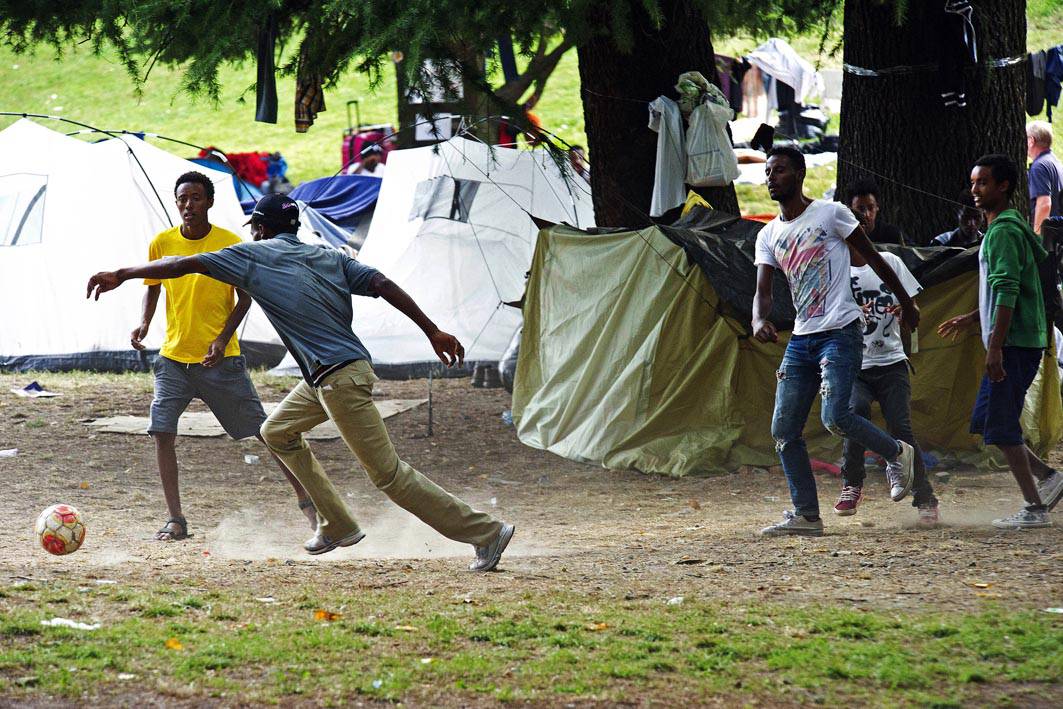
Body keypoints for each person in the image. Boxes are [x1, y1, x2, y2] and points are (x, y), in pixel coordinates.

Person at [88, 194, 514, 570]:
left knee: (389, 475)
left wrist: (121, 274)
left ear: (259, 228)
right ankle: (338, 524)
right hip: (328, 377)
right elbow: (381, 283)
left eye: (253, 227)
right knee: (276, 431)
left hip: (338, 380)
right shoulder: (330, 256)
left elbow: (183, 263)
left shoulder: (252, 255)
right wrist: (432, 330)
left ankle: (485, 533)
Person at [134, 172, 316, 541]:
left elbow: (245, 298)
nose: (189, 205)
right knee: (162, 432)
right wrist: (144, 322)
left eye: (196, 198)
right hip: (173, 359)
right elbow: (152, 285)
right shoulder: (161, 243)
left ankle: (310, 505)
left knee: (265, 432)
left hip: (221, 361)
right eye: (182, 198)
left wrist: (221, 339)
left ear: (210, 202)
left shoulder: (230, 244)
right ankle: (176, 520)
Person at [752, 147, 920, 537]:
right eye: (767, 172)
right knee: (783, 430)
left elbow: (875, 259)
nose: (770, 178)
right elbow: (763, 291)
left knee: (835, 417)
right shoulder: (768, 234)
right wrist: (759, 319)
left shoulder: (831, 213)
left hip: (841, 332)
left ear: (800, 174)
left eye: (778, 171)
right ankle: (807, 516)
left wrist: (906, 303)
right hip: (802, 338)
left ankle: (896, 452)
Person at [938, 154, 1063, 528]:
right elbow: (1012, 290)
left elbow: (1008, 289)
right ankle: (1049, 479)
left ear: (1004, 186)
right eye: (974, 183)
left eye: (984, 183)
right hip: (1014, 340)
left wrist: (995, 348)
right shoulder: (1004, 229)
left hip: (1013, 344)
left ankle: (1035, 508)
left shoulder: (1005, 232)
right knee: (991, 421)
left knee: (1002, 425)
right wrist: (975, 317)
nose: (975, 191)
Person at [839, 247, 940, 525]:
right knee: (853, 414)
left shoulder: (890, 262)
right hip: (854, 365)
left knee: (901, 427)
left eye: (870, 209)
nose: (865, 218)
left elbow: (914, 309)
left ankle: (925, 497)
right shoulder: (836, 268)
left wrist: (907, 311)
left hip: (891, 362)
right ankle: (852, 484)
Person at [1027, 121, 1063, 235]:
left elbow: (1044, 204)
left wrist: (1037, 238)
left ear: (1031, 141)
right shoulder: (1055, 162)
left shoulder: (1039, 166)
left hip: (1049, 239)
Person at [846, 178, 907, 246]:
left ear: (877, 207)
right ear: (850, 208)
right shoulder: (844, 234)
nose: (866, 214)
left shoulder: (893, 234)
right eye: (860, 209)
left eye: (871, 208)